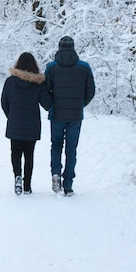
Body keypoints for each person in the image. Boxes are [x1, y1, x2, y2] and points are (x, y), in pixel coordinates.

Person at [45, 36, 95, 196]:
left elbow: (45, 90)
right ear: (73, 48)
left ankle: (55, 173)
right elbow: (90, 91)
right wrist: (80, 104)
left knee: (56, 145)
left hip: (57, 114)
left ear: (59, 48)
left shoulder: (52, 67)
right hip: (75, 115)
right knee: (71, 149)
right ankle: (68, 185)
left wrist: (51, 106)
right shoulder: (84, 67)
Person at [1, 52, 51, 195]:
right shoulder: (38, 84)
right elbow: (47, 104)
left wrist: (11, 116)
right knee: (29, 155)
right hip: (32, 124)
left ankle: (17, 176)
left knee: (15, 152)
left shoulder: (10, 81)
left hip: (15, 123)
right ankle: (27, 185)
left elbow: (4, 102)